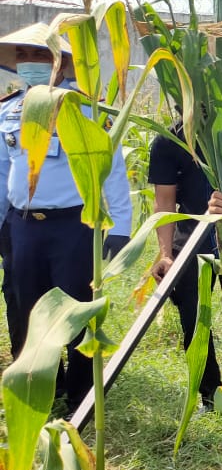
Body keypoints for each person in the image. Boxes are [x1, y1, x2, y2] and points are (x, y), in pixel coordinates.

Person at [0, 23, 132, 414]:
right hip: (22, 226)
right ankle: (37, 382)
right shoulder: (8, 110)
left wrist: (119, 227)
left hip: (75, 226)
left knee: (75, 306)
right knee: (23, 305)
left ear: (61, 63)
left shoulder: (85, 109)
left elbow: (114, 170)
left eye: (39, 55)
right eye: (23, 57)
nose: (30, 64)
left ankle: (80, 393)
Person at [148, 117, 222, 411]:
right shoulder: (168, 139)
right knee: (193, 314)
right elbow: (165, 201)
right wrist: (165, 254)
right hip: (194, 231)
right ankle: (209, 393)